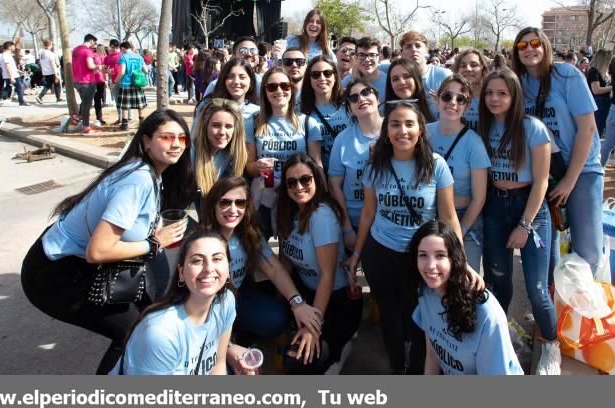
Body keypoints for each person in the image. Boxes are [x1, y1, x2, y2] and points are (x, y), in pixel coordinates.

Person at [21, 110, 197, 374]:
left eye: (182, 138)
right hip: (54, 274)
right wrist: (155, 243)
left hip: (78, 264)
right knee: (133, 333)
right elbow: (98, 251)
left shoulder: (151, 172)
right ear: (146, 142)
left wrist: (154, 228)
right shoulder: (137, 178)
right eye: (167, 137)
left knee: (150, 316)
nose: (176, 144)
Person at [344, 101, 479, 374]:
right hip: (381, 254)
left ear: (420, 129)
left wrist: (462, 262)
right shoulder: (376, 166)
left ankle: (418, 373)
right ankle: (397, 369)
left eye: (409, 124)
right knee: (390, 318)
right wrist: (356, 255)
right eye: (394, 124)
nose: (402, 131)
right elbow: (368, 214)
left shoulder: (436, 165)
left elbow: (449, 217)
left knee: (421, 319)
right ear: (386, 130)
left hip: (422, 258)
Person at [479, 68, 561, 374]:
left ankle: (551, 347)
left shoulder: (533, 128)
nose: (494, 99)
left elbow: (541, 181)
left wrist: (525, 225)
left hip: (530, 209)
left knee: (538, 290)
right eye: (489, 93)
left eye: (502, 93)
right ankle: (505, 335)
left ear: (515, 96)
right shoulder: (482, 127)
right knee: (498, 281)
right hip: (495, 207)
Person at [511, 27, 604, 274]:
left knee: (587, 247)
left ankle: (583, 306)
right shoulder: (518, 83)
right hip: (544, 173)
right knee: (549, 243)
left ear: (545, 47)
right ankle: (554, 303)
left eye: (535, 43)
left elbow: (587, 129)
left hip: (582, 170)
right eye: (522, 46)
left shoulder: (567, 75)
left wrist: (570, 181)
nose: (529, 49)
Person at [200, 176, 323, 342]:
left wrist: (298, 303)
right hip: (206, 306)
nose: (233, 209)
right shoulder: (201, 241)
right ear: (213, 205)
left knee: (277, 318)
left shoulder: (248, 235)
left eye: (240, 203)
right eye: (225, 202)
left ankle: (238, 333)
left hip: (237, 297)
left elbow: (274, 268)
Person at [276, 155, 362, 374]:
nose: (299, 187)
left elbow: (327, 276)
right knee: (292, 357)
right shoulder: (287, 212)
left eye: (306, 179)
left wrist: (312, 327)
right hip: (305, 292)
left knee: (300, 361)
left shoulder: (321, 216)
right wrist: (286, 302)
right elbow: (284, 260)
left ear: (316, 180)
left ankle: (340, 349)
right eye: (291, 182)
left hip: (334, 300)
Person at [111, 230, 242, 375]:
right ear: (181, 273)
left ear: (228, 268)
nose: (209, 268)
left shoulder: (225, 301)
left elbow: (218, 364)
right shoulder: (161, 333)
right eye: (197, 260)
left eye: (217, 259)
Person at [410, 221, 523, 376]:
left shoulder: (487, 315)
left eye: (440, 255)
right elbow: (432, 354)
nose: (430, 265)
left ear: (454, 260)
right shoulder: (426, 292)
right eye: (423, 255)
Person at [245, 67, 322, 239]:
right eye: (272, 87)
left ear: (292, 89)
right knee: (257, 249)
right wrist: (256, 167)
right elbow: (248, 168)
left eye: (284, 86)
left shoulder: (308, 123)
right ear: (264, 91)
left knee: (290, 251)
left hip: (296, 193)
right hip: (264, 192)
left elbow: (317, 165)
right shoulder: (253, 122)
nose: (278, 91)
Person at [427, 75, 490, 271]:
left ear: (467, 106)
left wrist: (458, 232)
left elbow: (478, 199)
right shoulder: (423, 133)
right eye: (447, 96)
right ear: (437, 100)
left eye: (460, 99)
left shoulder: (474, 143)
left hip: (464, 219)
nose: (453, 103)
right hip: (428, 216)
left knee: (462, 281)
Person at [328, 80, 382, 238]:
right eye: (353, 98)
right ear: (350, 109)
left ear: (377, 99)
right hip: (355, 220)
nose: (361, 99)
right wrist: (346, 228)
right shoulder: (342, 139)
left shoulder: (395, 130)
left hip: (387, 222)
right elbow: (334, 185)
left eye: (366, 92)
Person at [192, 100, 248, 206]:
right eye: (216, 125)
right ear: (205, 126)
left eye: (228, 126)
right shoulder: (190, 156)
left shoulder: (229, 153)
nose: (222, 132)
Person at [300, 55, 350, 170]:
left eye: (327, 73)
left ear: (335, 76)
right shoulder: (301, 110)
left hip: (350, 173)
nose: (322, 78)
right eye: (315, 75)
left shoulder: (349, 103)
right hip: (321, 173)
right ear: (309, 79)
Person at [399, 31, 450, 116]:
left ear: (426, 50)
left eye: (418, 46)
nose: (414, 49)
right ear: (402, 53)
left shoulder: (444, 76)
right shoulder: (396, 77)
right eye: (408, 46)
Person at [195, 58, 260, 126]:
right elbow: (195, 135)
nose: (236, 82)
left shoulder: (257, 112)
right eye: (230, 77)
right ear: (223, 80)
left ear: (250, 83)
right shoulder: (208, 109)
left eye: (242, 77)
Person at [385, 58, 435, 123]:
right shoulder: (382, 111)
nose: (402, 82)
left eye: (407, 76)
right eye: (395, 79)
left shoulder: (432, 106)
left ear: (416, 79)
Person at [113, 42, 148, 131]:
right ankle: (142, 122)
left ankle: (125, 125)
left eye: (121, 49)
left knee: (124, 105)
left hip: (126, 83)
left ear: (123, 48)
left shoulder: (123, 57)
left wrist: (115, 81)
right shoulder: (139, 57)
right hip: (137, 83)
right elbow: (146, 70)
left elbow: (122, 72)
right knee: (140, 104)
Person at [453, 47, 490, 131]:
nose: (468, 69)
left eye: (473, 65)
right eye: (463, 66)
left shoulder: (491, 95)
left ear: (482, 67)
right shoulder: (451, 97)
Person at [343, 37, 388, 103]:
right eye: (362, 55)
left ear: (378, 57)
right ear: (355, 57)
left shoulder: (389, 82)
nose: (367, 59)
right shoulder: (346, 82)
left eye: (372, 55)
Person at [72, 34, 101, 134]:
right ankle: (86, 127)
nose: (94, 45)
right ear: (91, 41)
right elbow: (90, 65)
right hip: (87, 82)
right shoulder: (87, 51)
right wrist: (99, 67)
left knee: (84, 103)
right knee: (87, 105)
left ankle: (80, 120)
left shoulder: (75, 49)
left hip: (77, 81)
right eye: (95, 42)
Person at [586, 49, 612, 137]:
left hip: (604, 102)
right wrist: (612, 88)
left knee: (601, 129)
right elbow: (596, 90)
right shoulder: (594, 71)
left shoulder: (601, 72)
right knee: (598, 130)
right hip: (599, 103)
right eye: (608, 60)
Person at [0, 40, 28, 106]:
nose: (14, 47)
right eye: (13, 46)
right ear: (10, 47)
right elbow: (7, 66)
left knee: (8, 88)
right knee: (20, 87)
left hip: (12, 74)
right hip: (12, 75)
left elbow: (11, 66)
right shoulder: (5, 55)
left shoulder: (7, 55)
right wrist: (11, 76)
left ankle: (1, 98)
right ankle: (21, 101)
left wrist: (18, 70)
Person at [36, 39, 61, 104]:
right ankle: (40, 96)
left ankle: (58, 98)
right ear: (50, 45)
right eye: (51, 44)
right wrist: (56, 73)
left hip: (45, 71)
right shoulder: (50, 54)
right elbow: (52, 63)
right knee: (54, 84)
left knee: (52, 84)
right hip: (51, 71)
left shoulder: (41, 53)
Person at [92, 43, 108, 125]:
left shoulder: (103, 57)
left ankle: (99, 118)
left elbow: (105, 70)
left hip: (99, 80)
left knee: (96, 99)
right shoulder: (95, 56)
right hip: (96, 80)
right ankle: (99, 118)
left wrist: (105, 80)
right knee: (95, 99)